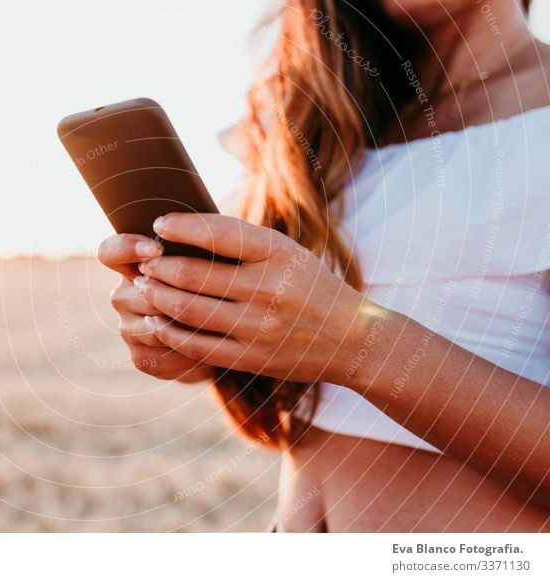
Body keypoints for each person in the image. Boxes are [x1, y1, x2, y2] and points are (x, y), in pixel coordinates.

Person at [98, 0, 550, 531]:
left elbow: (342, 342)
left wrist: (352, 344)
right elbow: (290, 402)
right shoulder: (322, 122)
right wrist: (197, 332)